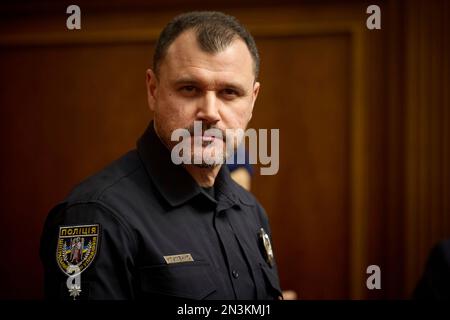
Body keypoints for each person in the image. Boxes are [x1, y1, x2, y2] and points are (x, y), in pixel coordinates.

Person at [40, 11, 282, 300]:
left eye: (229, 92)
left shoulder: (250, 211)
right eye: (189, 88)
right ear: (153, 90)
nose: (210, 113)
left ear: (252, 100)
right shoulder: (95, 217)